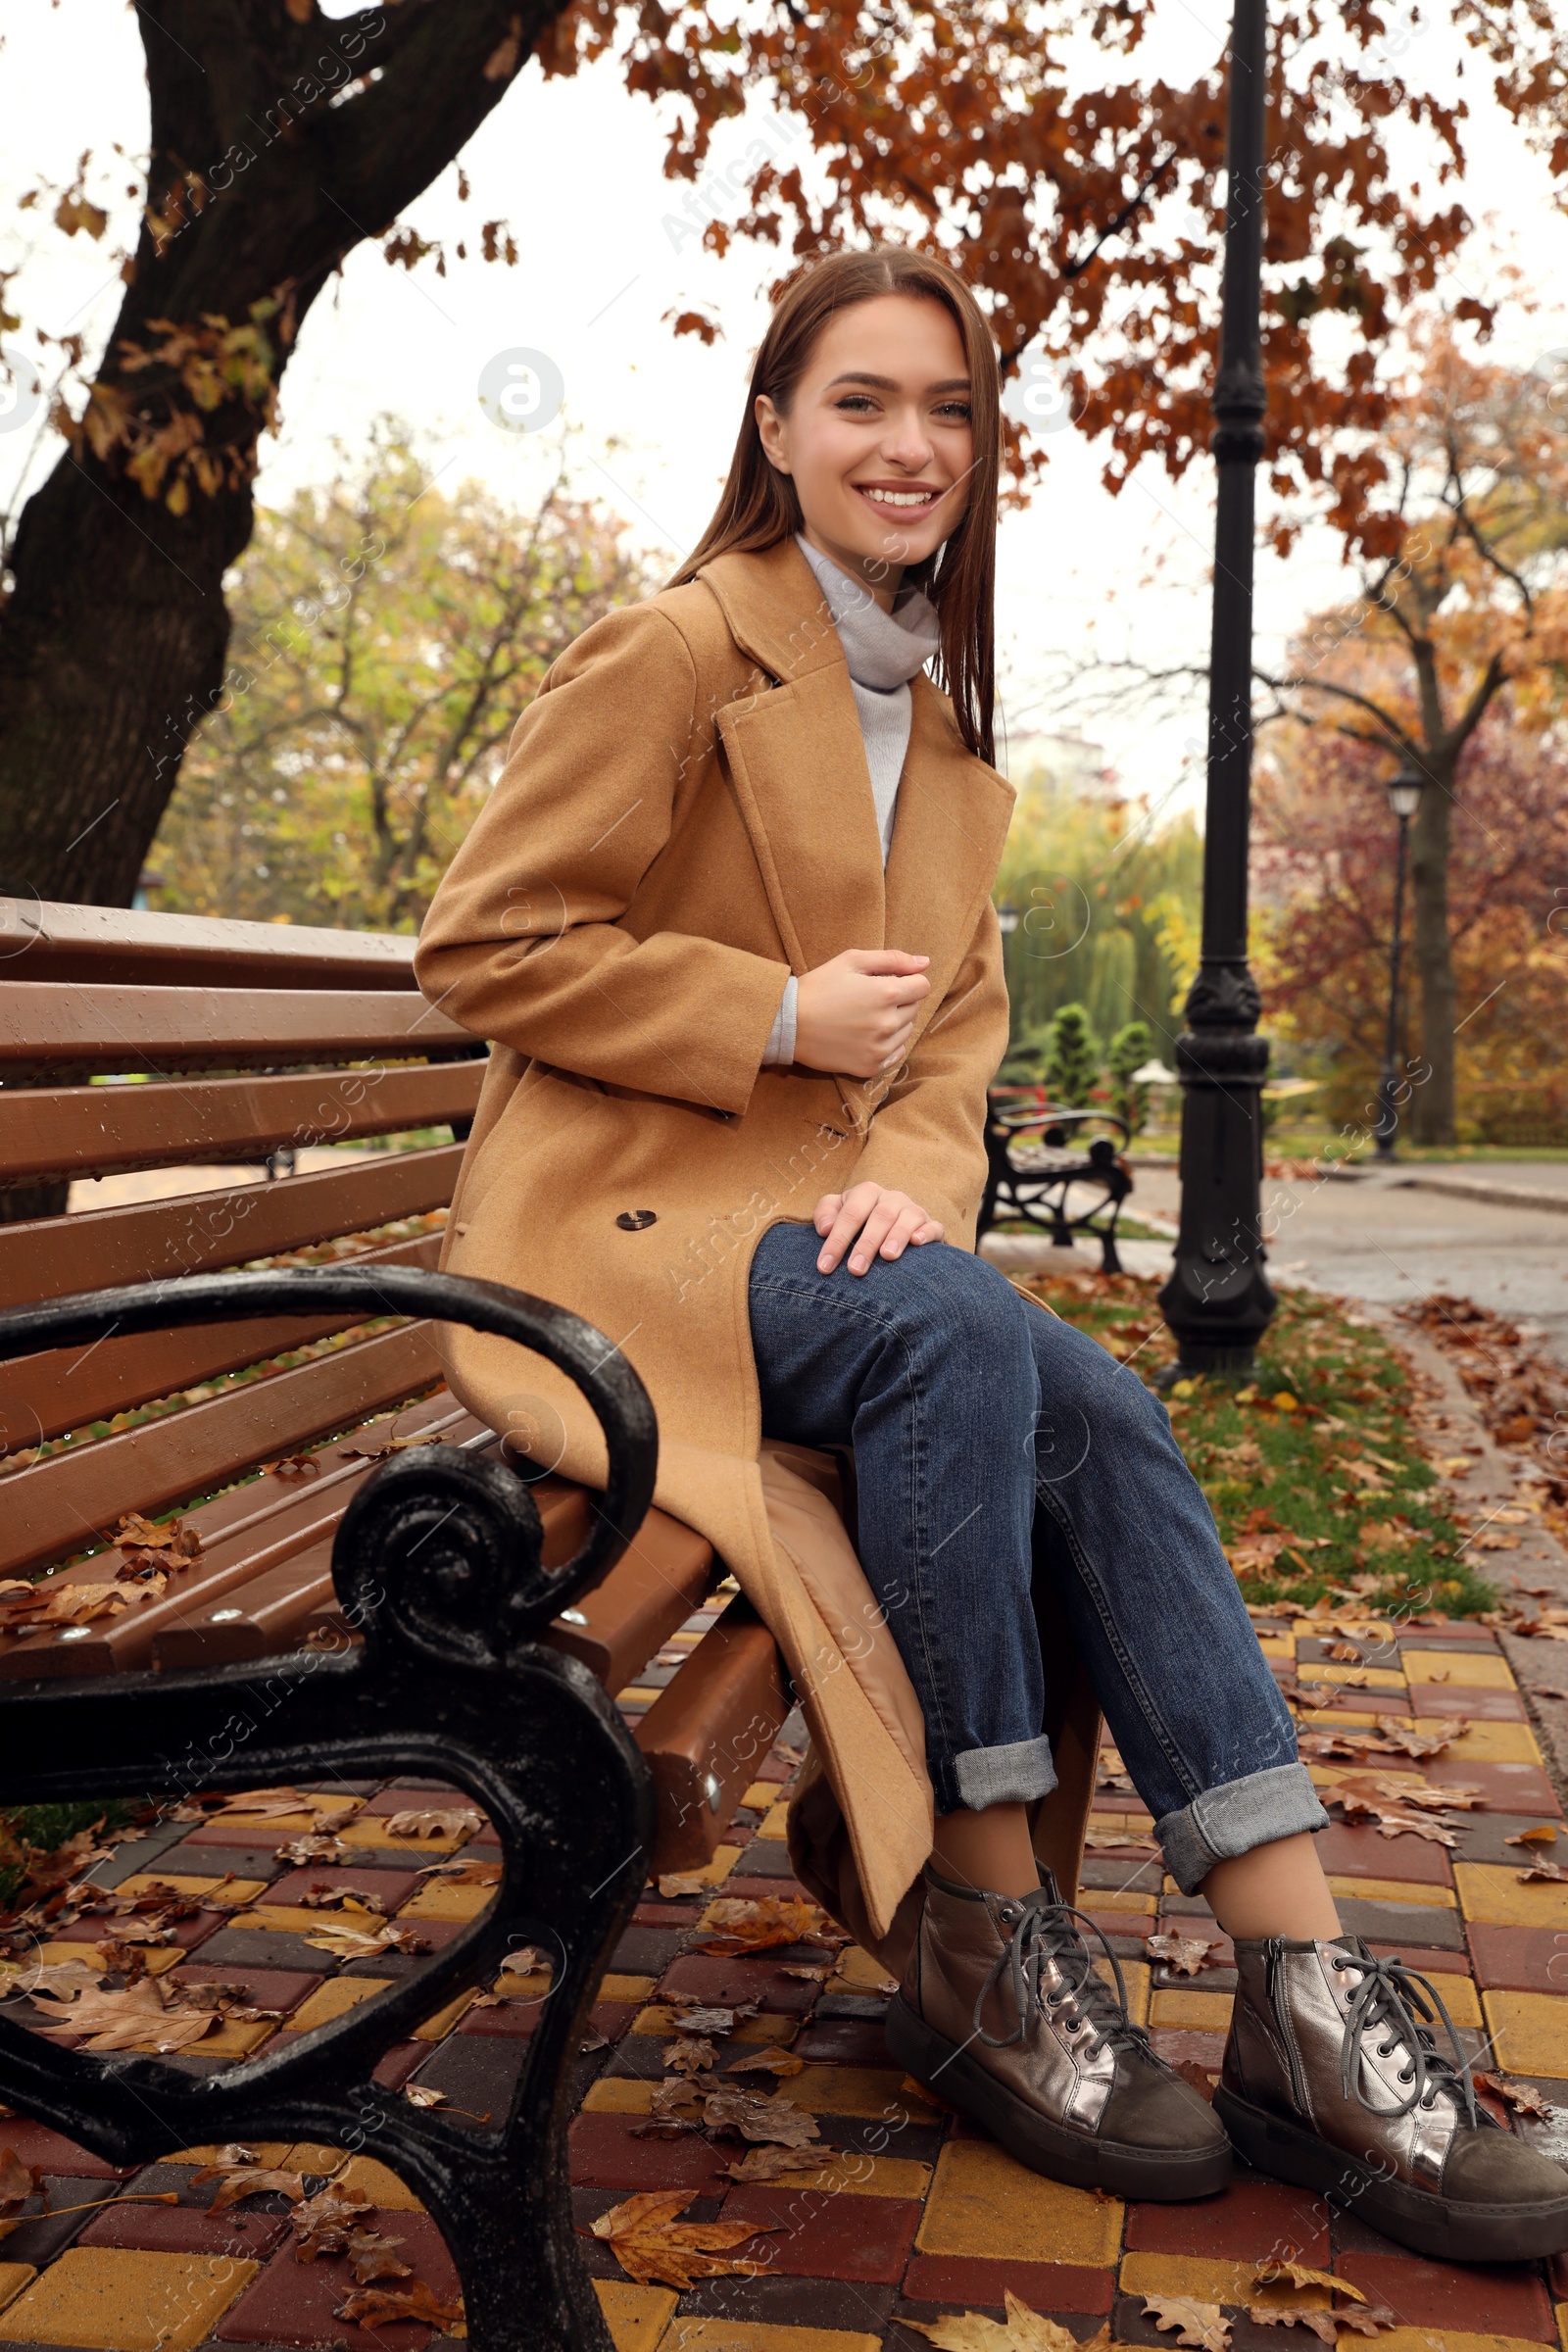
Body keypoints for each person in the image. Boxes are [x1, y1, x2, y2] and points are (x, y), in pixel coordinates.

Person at [414, 244, 1568, 2260]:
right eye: (860, 400)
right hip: (617, 1246)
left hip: (817, 1246)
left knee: (1097, 1404)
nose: (909, 444)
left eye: (946, 410)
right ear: (773, 428)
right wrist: (768, 1018)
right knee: (961, 1347)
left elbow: (945, 1054)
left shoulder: (946, 747)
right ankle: (981, 1927)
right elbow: (485, 944)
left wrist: (916, 1184)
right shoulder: (678, 651)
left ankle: (1301, 1991)